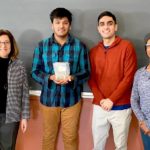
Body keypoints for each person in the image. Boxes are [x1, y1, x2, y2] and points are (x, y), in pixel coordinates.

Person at [31, 7, 90, 150]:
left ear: (70, 25)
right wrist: (49, 77)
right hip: (48, 101)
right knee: (48, 137)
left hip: (71, 101)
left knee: (70, 137)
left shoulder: (80, 46)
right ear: (52, 25)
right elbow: (35, 71)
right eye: (57, 22)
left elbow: (86, 72)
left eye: (65, 22)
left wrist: (72, 78)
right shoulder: (42, 46)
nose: (61, 26)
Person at [88, 11, 137, 150]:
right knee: (97, 146)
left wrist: (112, 100)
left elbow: (128, 77)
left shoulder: (127, 47)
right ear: (98, 28)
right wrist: (101, 99)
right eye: (102, 24)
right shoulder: (93, 52)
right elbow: (91, 79)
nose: (106, 27)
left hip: (121, 107)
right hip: (100, 106)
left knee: (121, 146)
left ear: (116, 26)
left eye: (110, 23)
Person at [0, 29, 30, 150]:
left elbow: (25, 93)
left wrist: (25, 117)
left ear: (12, 44)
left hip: (11, 116)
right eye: (0, 42)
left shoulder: (19, 65)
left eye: (7, 42)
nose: (3, 45)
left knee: (7, 147)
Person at [131, 33, 150, 150]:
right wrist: (142, 121)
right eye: (149, 45)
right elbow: (134, 99)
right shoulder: (139, 74)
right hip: (146, 127)